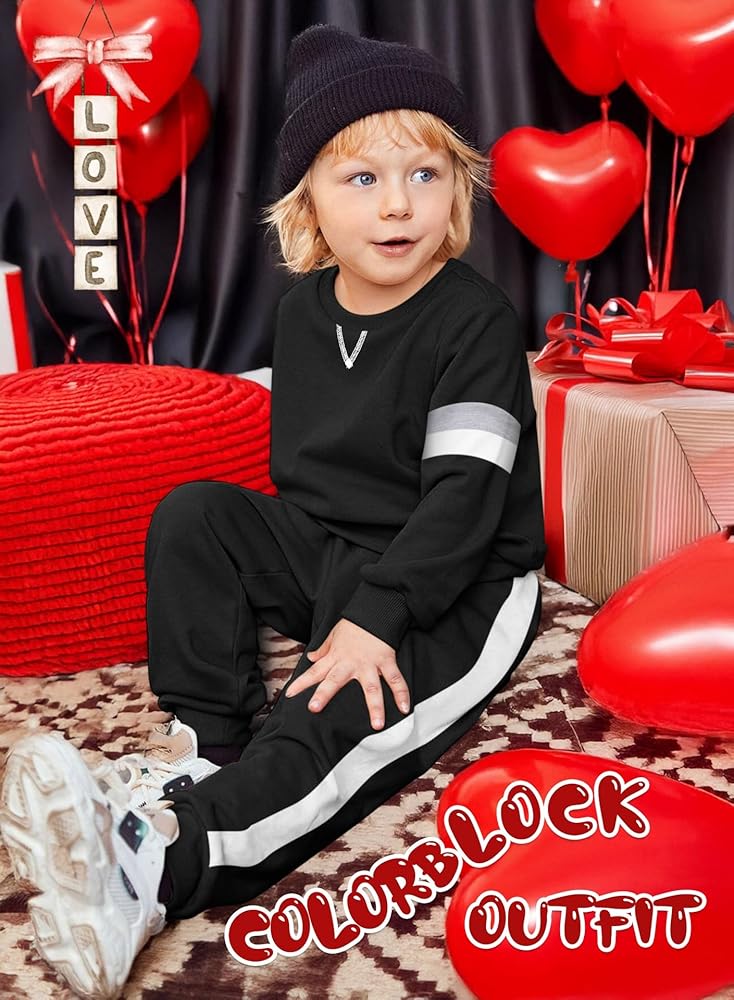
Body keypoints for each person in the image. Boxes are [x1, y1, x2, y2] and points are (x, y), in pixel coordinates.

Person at [0, 22, 546, 999]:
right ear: (309, 202)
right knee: (194, 514)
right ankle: (204, 746)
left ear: (456, 190)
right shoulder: (302, 314)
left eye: (423, 175)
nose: (397, 204)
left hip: (455, 577)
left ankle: (157, 871)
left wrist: (372, 618)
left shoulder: (475, 321)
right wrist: (322, 586)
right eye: (361, 178)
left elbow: (463, 503)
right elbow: (309, 486)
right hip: (338, 544)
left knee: (325, 715)